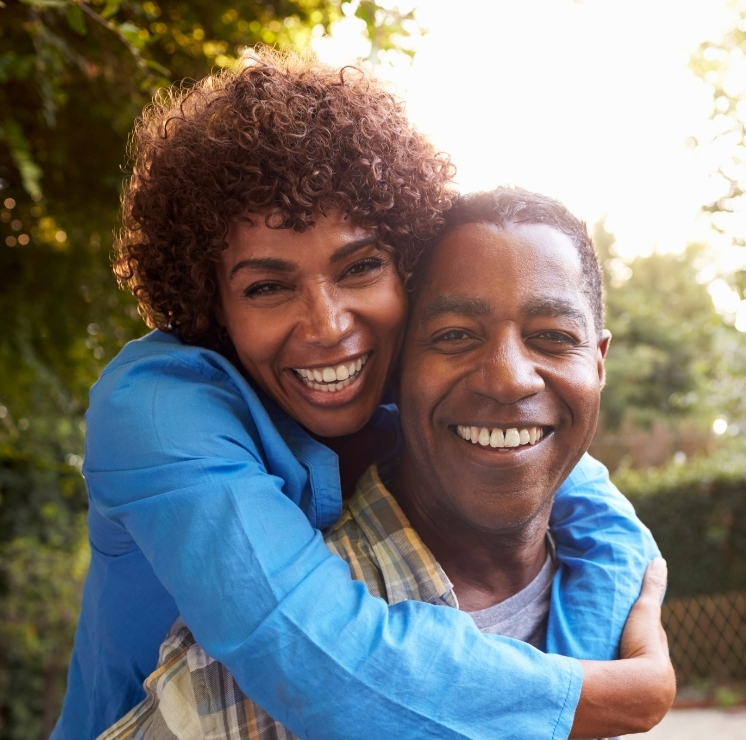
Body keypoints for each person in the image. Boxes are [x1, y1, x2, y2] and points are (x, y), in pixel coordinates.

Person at [55, 50, 663, 739]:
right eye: (267, 286)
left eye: (361, 266)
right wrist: (620, 697)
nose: (328, 326)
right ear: (212, 303)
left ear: (404, 268)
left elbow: (587, 499)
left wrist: (588, 655)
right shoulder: (157, 411)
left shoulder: (407, 379)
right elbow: (323, 664)